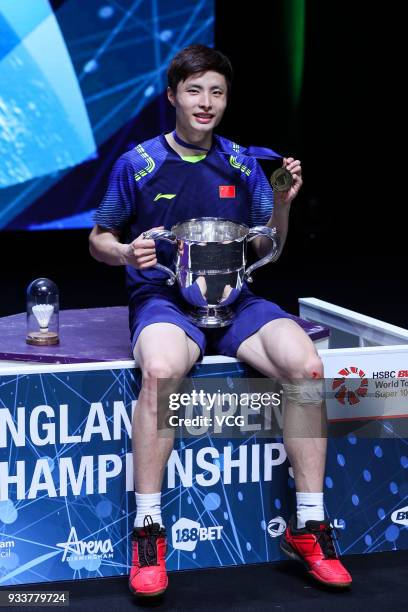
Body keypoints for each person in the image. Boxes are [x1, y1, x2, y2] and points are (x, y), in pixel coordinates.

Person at [89, 44, 352, 596]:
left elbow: (268, 246)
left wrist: (282, 202)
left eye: (216, 92)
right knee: (160, 371)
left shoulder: (241, 163)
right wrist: (123, 252)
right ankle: (147, 532)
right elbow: (99, 237)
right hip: (165, 299)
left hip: (236, 302)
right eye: (194, 91)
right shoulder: (137, 163)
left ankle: (309, 526)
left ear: (226, 99)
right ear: (172, 96)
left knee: (305, 365)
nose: (205, 102)